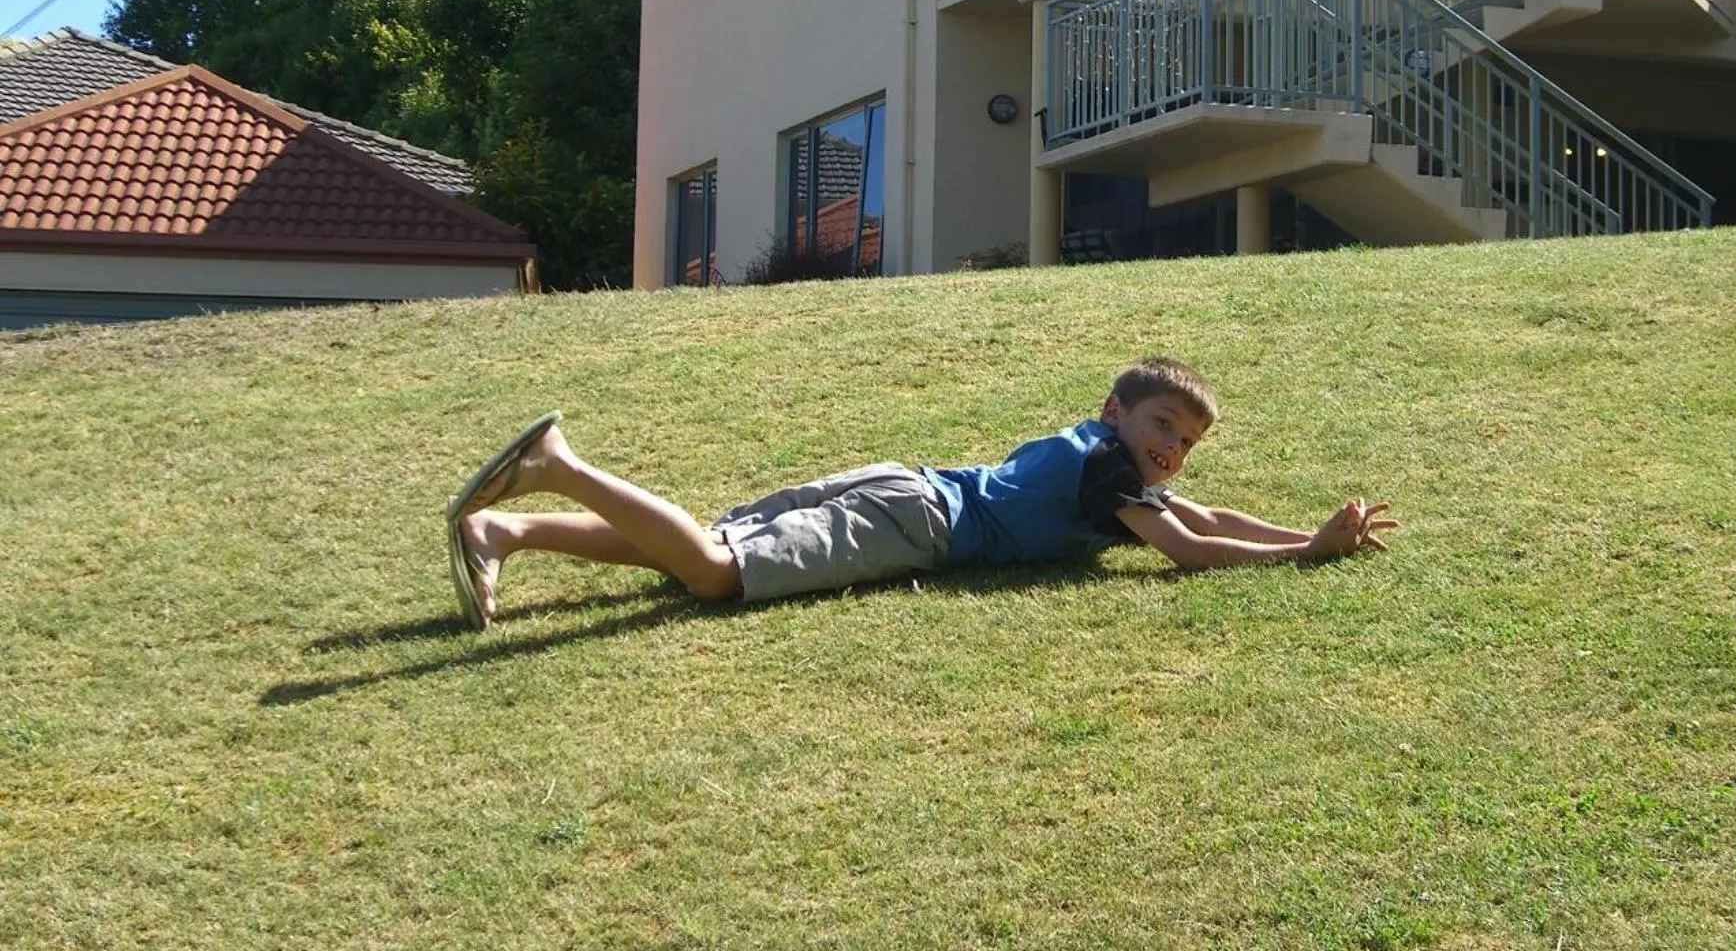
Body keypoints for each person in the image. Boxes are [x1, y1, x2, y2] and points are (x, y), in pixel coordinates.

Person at [444, 356, 1397, 630]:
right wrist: (1304, 554)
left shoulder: (1103, 460)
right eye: (1163, 430)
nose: (1172, 454)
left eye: (1184, 445)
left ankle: (511, 526)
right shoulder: (1110, 468)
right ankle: (556, 464)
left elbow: (1202, 519)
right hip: (914, 519)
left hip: (902, 486)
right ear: (1117, 411)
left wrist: (1306, 531)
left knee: (703, 545)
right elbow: (1189, 552)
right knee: (714, 575)